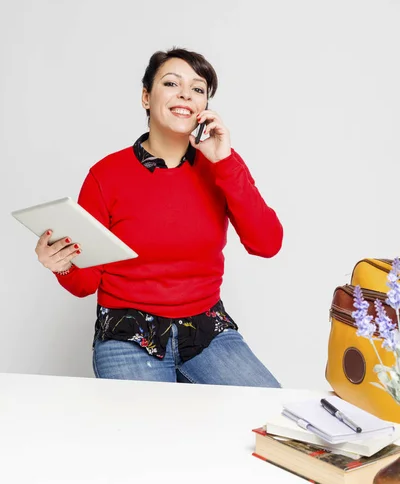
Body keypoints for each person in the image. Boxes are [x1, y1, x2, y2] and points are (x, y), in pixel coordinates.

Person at [36, 47, 284, 386]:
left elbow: (267, 243)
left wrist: (225, 161)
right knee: (146, 434)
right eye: (171, 83)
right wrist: (60, 264)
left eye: (198, 89)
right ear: (146, 97)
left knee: (266, 418)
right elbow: (85, 284)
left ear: (204, 107)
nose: (185, 93)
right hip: (129, 334)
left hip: (206, 331)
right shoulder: (106, 175)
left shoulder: (222, 165)